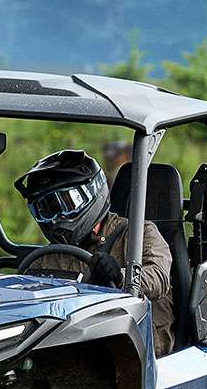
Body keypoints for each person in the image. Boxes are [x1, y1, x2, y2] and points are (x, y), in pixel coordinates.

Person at [15, 149, 174, 355]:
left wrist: (121, 277)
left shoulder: (137, 232)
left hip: (138, 348)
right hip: (72, 346)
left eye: (67, 204)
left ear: (93, 193)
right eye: (45, 210)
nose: (56, 218)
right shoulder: (49, 257)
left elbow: (158, 278)